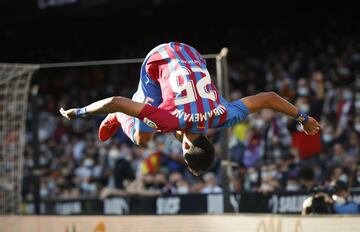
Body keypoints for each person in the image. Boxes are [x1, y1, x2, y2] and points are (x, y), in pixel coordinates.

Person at [60, 42, 321, 176]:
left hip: (190, 52)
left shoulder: (225, 116)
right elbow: (114, 100)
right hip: (157, 59)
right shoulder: (169, 121)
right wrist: (78, 112)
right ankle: (121, 118)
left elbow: (269, 97)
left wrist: (303, 117)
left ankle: (133, 111)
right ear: (186, 149)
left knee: (171, 127)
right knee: (143, 138)